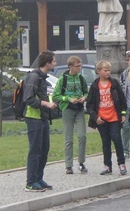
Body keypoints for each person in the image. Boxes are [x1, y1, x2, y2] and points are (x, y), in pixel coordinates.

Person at [21, 50, 57, 192]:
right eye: (54, 61)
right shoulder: (34, 77)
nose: (55, 63)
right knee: (35, 150)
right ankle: (30, 182)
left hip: (42, 118)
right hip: (33, 118)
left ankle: (38, 178)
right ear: (47, 63)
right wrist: (45, 104)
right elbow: (28, 99)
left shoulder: (42, 77)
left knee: (44, 149)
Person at [86, 60, 127, 176]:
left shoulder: (114, 83)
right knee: (105, 142)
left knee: (117, 139)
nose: (108, 72)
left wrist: (123, 114)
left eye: (109, 70)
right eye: (105, 70)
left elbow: (122, 100)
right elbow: (89, 105)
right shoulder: (94, 86)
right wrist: (95, 117)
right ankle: (107, 165)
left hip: (114, 117)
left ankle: (121, 163)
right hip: (101, 118)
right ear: (99, 71)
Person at [52, 55, 88, 175]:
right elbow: (56, 95)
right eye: (77, 66)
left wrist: (84, 97)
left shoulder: (81, 78)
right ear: (71, 67)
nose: (79, 68)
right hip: (67, 109)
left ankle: (81, 162)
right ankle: (68, 165)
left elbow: (86, 92)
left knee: (82, 136)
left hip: (79, 109)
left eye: (80, 66)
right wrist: (67, 99)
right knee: (69, 138)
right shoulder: (63, 78)